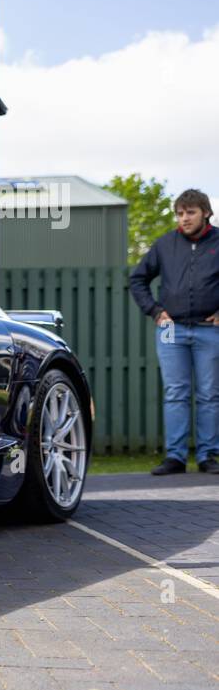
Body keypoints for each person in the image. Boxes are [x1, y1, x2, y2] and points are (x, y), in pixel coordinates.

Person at [128, 188, 219, 475]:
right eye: (180, 213)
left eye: (190, 212)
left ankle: (208, 457)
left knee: (209, 394)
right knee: (175, 393)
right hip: (171, 331)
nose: (184, 218)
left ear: (205, 212)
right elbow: (138, 279)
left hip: (210, 331)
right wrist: (155, 311)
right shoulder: (164, 244)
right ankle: (176, 457)